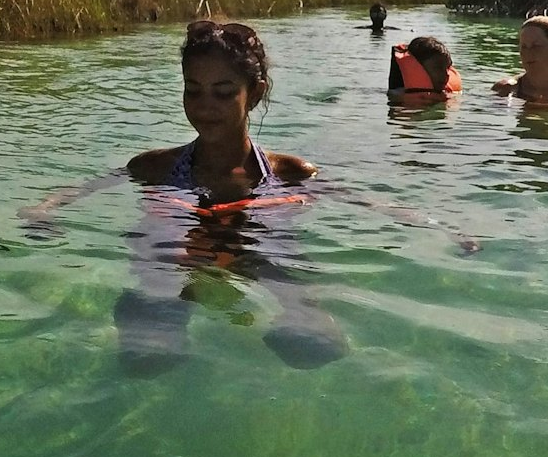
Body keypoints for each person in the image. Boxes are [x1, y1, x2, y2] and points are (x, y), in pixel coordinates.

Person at [21, 18, 348, 373]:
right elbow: (86, 189)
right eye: (193, 90)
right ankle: (160, 321)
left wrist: (408, 216)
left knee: (318, 341)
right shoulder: (154, 167)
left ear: (253, 93)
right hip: (175, 257)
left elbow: (353, 198)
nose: (205, 106)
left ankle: (291, 317)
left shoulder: (289, 172)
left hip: (255, 247)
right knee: (147, 350)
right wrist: (43, 209)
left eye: (223, 92)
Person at [387, 35, 462, 98]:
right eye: (438, 67)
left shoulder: (450, 94)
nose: (447, 74)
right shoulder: (398, 96)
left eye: (447, 68)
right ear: (417, 68)